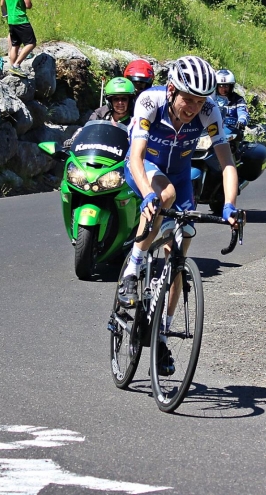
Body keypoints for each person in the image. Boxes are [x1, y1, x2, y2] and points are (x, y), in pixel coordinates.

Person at [117, 56, 239, 375]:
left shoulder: (210, 111)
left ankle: (160, 334)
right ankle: (134, 268)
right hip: (145, 169)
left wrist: (229, 205)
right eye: (188, 99)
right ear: (172, 90)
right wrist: (147, 195)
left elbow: (227, 162)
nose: (193, 108)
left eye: (200, 101)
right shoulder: (150, 101)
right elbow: (137, 157)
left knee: (181, 252)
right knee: (164, 196)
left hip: (180, 174)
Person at [1, 0, 36, 78]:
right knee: (31, 43)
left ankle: (12, 67)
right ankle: (16, 65)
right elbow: (28, 5)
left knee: (15, 45)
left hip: (11, 20)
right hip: (21, 19)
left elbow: (3, 3)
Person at [90, 60, 154, 120]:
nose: (120, 103)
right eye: (116, 99)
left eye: (124, 99)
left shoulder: (145, 111)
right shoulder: (100, 114)